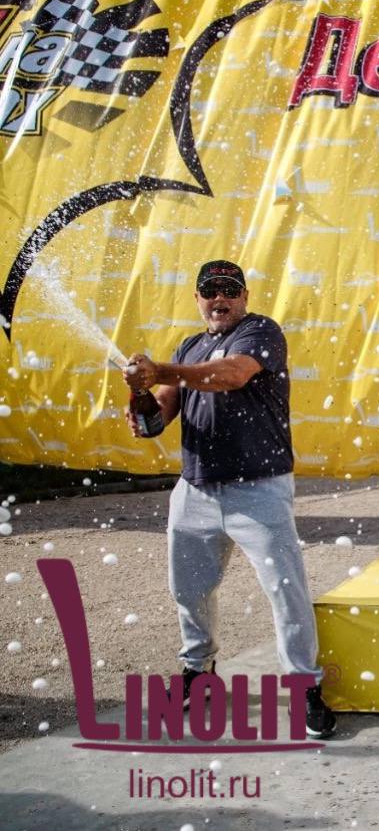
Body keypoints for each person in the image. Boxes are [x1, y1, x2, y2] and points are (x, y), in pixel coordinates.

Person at [123, 259, 336, 739]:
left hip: (258, 488)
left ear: (244, 297)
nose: (220, 299)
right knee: (188, 590)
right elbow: (157, 419)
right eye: (210, 290)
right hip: (195, 489)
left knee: (285, 589)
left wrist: (160, 370)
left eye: (229, 290)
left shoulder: (260, 332)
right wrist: (141, 398)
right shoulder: (189, 347)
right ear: (197, 298)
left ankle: (304, 685)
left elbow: (232, 375)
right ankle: (199, 672)